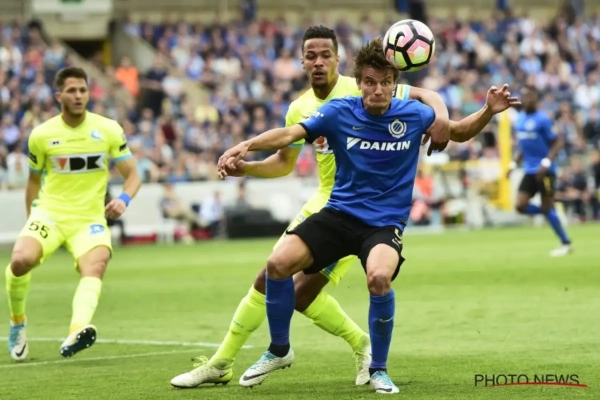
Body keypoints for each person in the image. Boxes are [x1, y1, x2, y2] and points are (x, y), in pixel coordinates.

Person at [170, 25, 517, 389]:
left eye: (384, 83)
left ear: (391, 83)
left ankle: (376, 366)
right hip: (336, 212)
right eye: (370, 82)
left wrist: (485, 111)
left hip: (382, 222)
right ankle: (276, 349)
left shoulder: (410, 111)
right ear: (358, 83)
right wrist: (247, 146)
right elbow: (288, 138)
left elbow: (457, 128)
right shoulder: (334, 110)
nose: (377, 89)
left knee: (373, 279)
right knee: (275, 268)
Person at [6, 66, 141, 361]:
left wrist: (123, 199)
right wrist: (31, 219)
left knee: (96, 265)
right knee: (20, 261)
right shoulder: (42, 135)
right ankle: (17, 322)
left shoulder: (108, 129)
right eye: (71, 90)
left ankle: (76, 330)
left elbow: (133, 174)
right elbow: (33, 181)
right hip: (50, 215)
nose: (78, 95)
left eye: (83, 90)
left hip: (89, 219)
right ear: (59, 96)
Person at [507, 85, 572, 257]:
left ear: (536, 99)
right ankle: (551, 212)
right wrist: (513, 164)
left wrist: (546, 162)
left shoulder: (543, 119)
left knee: (546, 206)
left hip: (546, 171)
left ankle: (565, 242)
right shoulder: (519, 119)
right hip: (529, 170)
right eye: (525, 96)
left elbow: (558, 142)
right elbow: (523, 145)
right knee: (520, 206)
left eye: (531, 97)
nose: (527, 100)